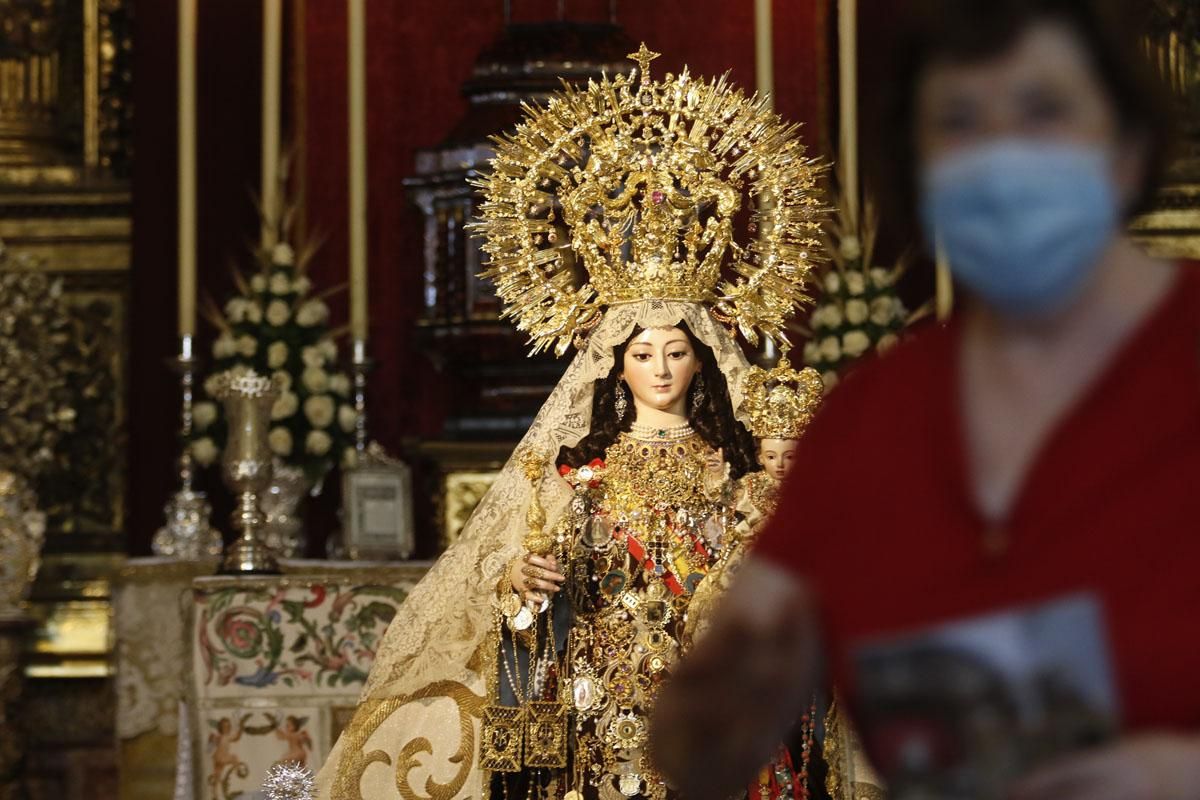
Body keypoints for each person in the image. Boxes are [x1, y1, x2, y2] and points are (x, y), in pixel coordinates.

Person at [650, 2, 1200, 799]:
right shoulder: (867, 420)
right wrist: (721, 700)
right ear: (917, 167)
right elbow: (703, 736)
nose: (1004, 153)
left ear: (1128, 148)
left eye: (1044, 110)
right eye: (960, 121)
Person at [314, 45, 826, 800]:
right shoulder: (576, 466)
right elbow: (522, 573)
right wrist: (523, 579)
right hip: (606, 702)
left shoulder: (741, 460)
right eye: (643, 350)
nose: (659, 367)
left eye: (677, 350)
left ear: (701, 361)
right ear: (614, 362)